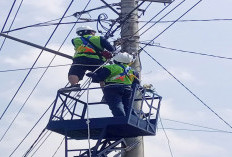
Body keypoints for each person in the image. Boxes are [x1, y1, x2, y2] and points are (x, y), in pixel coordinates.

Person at [60, 26, 115, 92]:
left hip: (80, 59)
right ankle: (106, 92)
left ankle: (74, 85)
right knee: (102, 76)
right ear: (90, 32)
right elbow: (111, 49)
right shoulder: (99, 38)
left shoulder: (75, 40)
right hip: (96, 60)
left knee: (74, 73)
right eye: (93, 32)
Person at [86, 52, 139, 117]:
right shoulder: (133, 71)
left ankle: (120, 118)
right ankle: (134, 118)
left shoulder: (110, 68)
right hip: (127, 90)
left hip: (112, 89)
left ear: (115, 60)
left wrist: (92, 75)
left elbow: (100, 77)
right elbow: (136, 84)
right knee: (127, 106)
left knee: (116, 105)